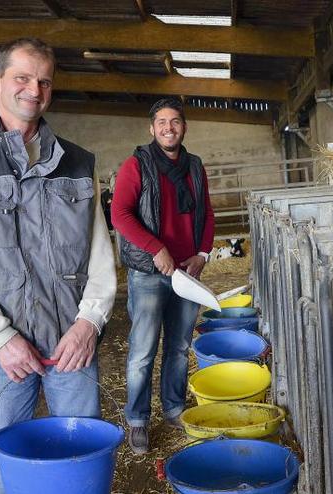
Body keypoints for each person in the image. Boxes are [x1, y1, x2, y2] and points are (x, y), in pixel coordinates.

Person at [0, 38, 116, 493]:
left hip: (72, 345)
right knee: (3, 466)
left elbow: (100, 255)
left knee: (80, 459)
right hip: (2, 354)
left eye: (44, 81)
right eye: (22, 77)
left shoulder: (78, 163)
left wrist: (89, 323)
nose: (34, 90)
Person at [111, 98, 215, 454]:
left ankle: (173, 408)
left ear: (184, 127)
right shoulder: (136, 165)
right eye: (161, 122)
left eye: (175, 121)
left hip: (187, 272)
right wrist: (156, 249)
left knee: (179, 346)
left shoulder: (195, 166)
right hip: (149, 273)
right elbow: (120, 215)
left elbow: (208, 214)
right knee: (142, 351)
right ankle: (138, 420)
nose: (168, 127)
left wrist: (202, 253)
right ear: (151, 128)